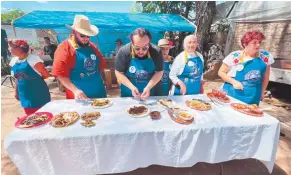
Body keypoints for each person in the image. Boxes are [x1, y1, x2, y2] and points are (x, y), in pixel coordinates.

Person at [52, 15, 107, 99]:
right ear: (74, 32)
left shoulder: (92, 47)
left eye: (88, 36)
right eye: (82, 35)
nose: (85, 39)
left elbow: (100, 65)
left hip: (99, 92)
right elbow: (60, 75)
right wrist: (75, 90)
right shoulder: (64, 48)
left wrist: (100, 80)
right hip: (79, 96)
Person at [218, 31, 274, 105]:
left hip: (253, 96)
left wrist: (262, 92)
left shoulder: (265, 56)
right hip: (232, 92)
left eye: (259, 42)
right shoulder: (235, 56)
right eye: (254, 43)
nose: (258, 45)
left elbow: (266, 77)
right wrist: (234, 82)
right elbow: (221, 72)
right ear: (245, 44)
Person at [115, 28, 164, 100]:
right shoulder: (123, 52)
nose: (141, 51)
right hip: (129, 92)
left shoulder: (156, 52)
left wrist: (148, 87)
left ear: (149, 43)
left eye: (145, 48)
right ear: (132, 43)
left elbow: (159, 72)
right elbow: (118, 73)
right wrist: (132, 87)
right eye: (137, 48)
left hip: (151, 92)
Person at [8, 39, 51, 115]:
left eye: (11, 47)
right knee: (31, 117)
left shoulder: (33, 60)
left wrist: (34, 81)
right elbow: (17, 78)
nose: (9, 49)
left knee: (43, 115)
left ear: (18, 48)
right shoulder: (14, 61)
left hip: (38, 93)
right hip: (24, 94)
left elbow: (46, 75)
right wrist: (16, 91)